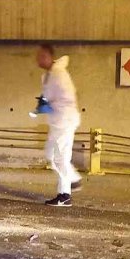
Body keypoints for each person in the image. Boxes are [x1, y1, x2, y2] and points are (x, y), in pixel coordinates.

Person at [35, 44, 82, 207]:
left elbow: (60, 98)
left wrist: (45, 104)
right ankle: (73, 179)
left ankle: (65, 195)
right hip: (58, 120)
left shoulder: (57, 74)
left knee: (61, 157)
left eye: (41, 56)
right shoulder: (50, 74)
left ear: (49, 57)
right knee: (51, 155)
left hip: (64, 120)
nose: (38, 59)